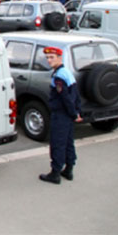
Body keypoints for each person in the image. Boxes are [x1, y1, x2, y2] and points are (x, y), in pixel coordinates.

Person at [39, 46, 82, 184]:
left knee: (58, 143)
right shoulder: (67, 73)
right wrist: (76, 111)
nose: (49, 60)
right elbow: (75, 95)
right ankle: (69, 170)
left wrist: (73, 113)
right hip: (68, 115)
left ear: (59, 58)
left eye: (52, 57)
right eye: (47, 58)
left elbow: (65, 98)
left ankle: (55, 173)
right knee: (69, 142)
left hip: (61, 114)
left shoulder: (59, 76)